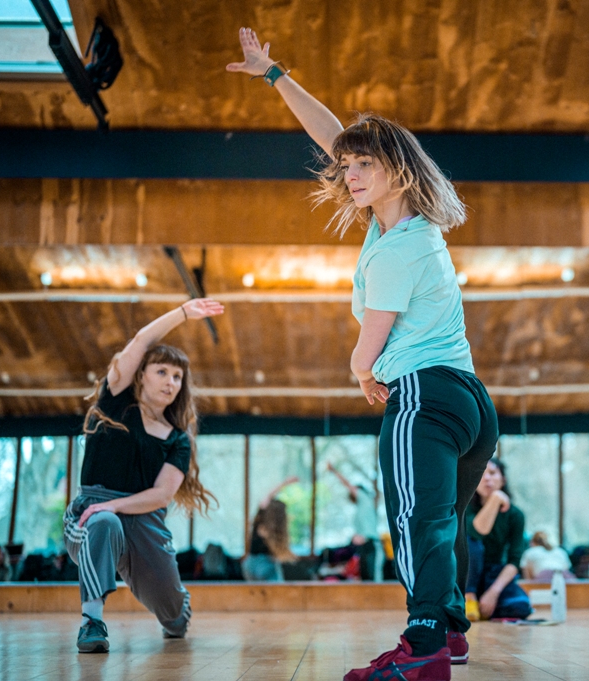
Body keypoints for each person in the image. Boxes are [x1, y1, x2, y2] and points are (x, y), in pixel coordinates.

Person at [227, 29, 499, 680]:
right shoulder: (408, 225)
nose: (347, 174)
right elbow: (333, 132)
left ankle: (424, 647)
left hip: (424, 401)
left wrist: (362, 372)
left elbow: (365, 351)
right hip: (470, 403)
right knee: (444, 522)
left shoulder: (399, 251)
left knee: (414, 521)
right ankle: (452, 632)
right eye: (345, 166)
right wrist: (274, 76)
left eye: (361, 167)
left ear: (395, 171)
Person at [63, 298, 223, 653]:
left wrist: (120, 506)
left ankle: (176, 609)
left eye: (177, 376)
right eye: (162, 372)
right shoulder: (116, 401)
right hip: (92, 513)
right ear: (141, 375)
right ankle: (92, 622)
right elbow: (140, 341)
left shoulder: (178, 439)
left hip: (144, 518)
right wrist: (183, 313)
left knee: (176, 621)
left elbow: (162, 495)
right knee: (104, 521)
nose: (170, 382)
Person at [464, 459, 532, 621]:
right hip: (465, 575)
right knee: (473, 542)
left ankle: (482, 607)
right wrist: (495, 498)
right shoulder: (464, 508)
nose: (487, 478)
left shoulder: (516, 515)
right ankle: (469, 597)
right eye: (481, 473)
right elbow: (478, 532)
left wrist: (493, 593)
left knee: (520, 606)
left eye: (493, 473)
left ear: (503, 479)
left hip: (494, 574)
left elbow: (514, 561)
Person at [326, 460, 382, 581]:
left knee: (372, 577)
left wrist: (334, 471)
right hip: (364, 545)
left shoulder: (364, 497)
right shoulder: (361, 508)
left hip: (371, 543)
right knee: (364, 575)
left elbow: (347, 484)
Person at [242, 477, 299, 582]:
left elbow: (268, 497)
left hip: (249, 564)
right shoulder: (276, 530)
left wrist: (285, 483)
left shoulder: (260, 518)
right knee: (277, 595)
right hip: (265, 565)